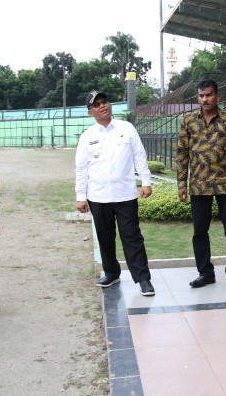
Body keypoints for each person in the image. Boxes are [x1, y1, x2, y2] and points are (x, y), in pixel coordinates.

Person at [176, 79, 226, 294]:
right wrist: (181, 183)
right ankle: (205, 273)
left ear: (217, 96)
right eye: (201, 96)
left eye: (209, 95)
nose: (205, 99)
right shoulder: (188, 120)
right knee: (199, 232)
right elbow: (182, 153)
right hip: (199, 186)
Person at [75, 91, 155, 297]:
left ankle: (143, 279)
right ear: (90, 112)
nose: (103, 106)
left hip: (125, 194)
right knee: (105, 237)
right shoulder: (87, 136)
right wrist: (80, 196)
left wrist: (146, 181)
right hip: (98, 195)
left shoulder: (126, 128)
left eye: (105, 102)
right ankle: (111, 273)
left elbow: (139, 155)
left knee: (132, 237)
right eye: (97, 104)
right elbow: (81, 168)